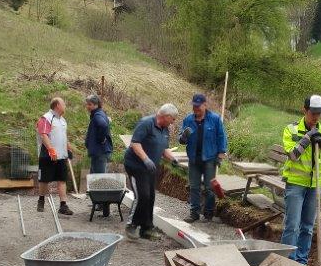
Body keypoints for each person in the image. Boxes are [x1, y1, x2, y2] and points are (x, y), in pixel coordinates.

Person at [280, 94, 321, 265]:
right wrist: (307, 138)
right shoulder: (291, 129)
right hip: (295, 185)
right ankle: (287, 263)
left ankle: (301, 262)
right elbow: (293, 155)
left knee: (307, 227)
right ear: (304, 110)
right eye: (313, 113)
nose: (316, 117)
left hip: (314, 186)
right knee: (292, 226)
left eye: (319, 114)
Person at [123, 104, 179, 241]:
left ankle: (146, 228)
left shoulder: (165, 129)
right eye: (173, 119)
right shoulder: (146, 123)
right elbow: (135, 144)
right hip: (136, 166)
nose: (173, 122)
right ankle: (131, 225)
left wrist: (173, 159)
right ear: (165, 116)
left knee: (151, 197)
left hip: (150, 168)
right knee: (142, 196)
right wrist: (146, 159)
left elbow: (164, 149)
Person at [178, 93, 228, 223]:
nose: (195, 109)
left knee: (209, 188)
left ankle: (208, 213)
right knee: (194, 187)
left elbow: (221, 136)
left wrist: (221, 153)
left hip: (210, 159)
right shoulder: (188, 120)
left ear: (205, 105)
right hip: (194, 159)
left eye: (198, 107)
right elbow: (181, 140)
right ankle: (194, 213)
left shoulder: (215, 119)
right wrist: (183, 137)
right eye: (194, 106)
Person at [35, 97, 74, 215]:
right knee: (44, 180)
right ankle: (41, 200)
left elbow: (63, 136)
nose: (65, 106)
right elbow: (43, 135)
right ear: (57, 105)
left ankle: (63, 205)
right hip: (47, 155)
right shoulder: (46, 118)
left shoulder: (62, 120)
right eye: (64, 104)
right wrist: (51, 150)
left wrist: (68, 148)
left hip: (61, 156)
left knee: (62, 179)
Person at [84, 93, 114, 217]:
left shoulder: (97, 115)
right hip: (98, 152)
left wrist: (101, 139)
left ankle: (103, 205)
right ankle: (99, 202)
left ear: (96, 105)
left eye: (90, 104)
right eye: (87, 104)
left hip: (100, 152)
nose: (88, 106)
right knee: (96, 177)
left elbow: (103, 125)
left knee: (100, 178)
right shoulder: (99, 114)